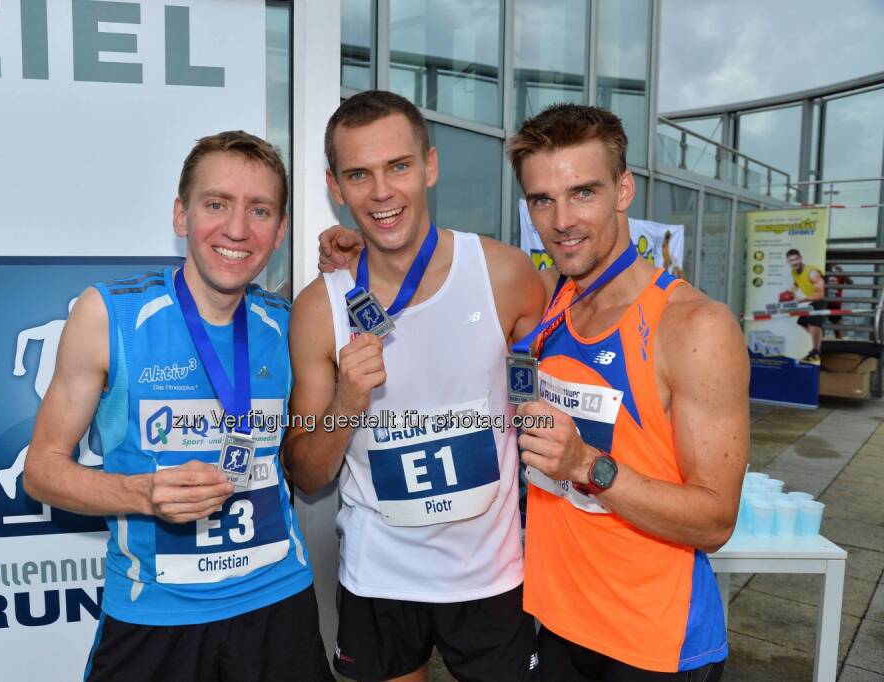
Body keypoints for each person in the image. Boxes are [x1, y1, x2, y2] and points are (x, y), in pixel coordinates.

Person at [23, 131, 332, 682]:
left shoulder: (287, 325)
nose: (237, 229)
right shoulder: (109, 316)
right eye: (216, 204)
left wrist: (347, 270)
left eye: (259, 210)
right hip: (155, 616)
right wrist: (140, 493)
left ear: (280, 230)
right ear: (180, 215)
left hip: (277, 602)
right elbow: (42, 470)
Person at [284, 90, 544, 682]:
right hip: (380, 579)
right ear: (335, 186)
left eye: (398, 166)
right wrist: (348, 404)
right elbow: (307, 472)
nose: (381, 192)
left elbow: (555, 393)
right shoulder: (319, 310)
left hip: (493, 577)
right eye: (359, 174)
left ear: (429, 165)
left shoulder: (506, 276)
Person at [509, 103, 747, 681]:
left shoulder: (693, 327)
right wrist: (358, 251)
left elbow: (715, 520)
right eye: (542, 199)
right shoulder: (554, 299)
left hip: (653, 643)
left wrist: (587, 464)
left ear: (624, 189)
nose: (562, 220)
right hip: (561, 623)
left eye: (583, 193)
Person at [782, 248, 826, 362]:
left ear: (801, 258)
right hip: (812, 300)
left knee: (812, 323)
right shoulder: (794, 272)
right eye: (791, 260)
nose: (794, 262)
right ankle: (820, 339)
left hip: (822, 299)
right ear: (788, 262)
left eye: (796, 259)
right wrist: (789, 292)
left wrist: (802, 300)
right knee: (802, 322)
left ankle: (815, 352)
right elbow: (797, 282)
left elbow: (821, 294)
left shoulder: (812, 273)